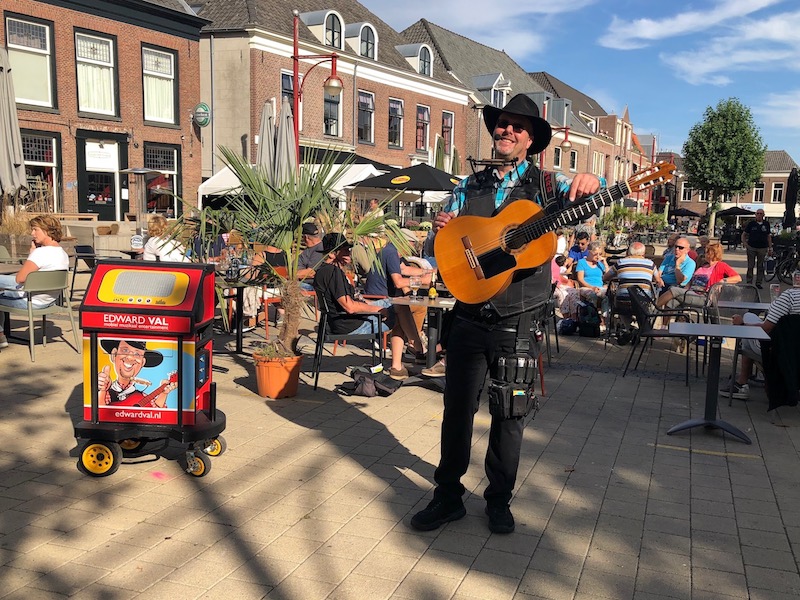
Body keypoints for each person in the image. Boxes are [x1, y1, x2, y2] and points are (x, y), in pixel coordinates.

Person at [410, 93, 604, 534]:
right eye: (502, 123)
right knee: (456, 409)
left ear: (531, 138)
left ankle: (499, 499)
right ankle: (447, 496)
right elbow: (436, 251)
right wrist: (440, 234)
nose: (507, 130)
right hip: (468, 314)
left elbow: (587, 202)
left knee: (509, 412)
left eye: (518, 126)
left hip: (518, 318)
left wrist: (592, 178)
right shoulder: (468, 185)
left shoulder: (547, 186)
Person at [0, 215, 70, 349]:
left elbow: (19, 279)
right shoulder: (62, 254)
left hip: (31, 302)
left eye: (35, 229)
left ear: (47, 230)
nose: (32, 233)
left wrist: (33, 253)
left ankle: (1, 336)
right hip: (47, 301)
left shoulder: (41, 253)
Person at [720, 286, 800, 400]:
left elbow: (766, 328)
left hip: (778, 351)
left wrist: (742, 324)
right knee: (750, 320)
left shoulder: (790, 297)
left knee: (747, 324)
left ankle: (742, 383)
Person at [313, 233, 389, 336]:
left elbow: (349, 300)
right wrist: (378, 310)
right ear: (332, 254)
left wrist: (368, 303)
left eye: (349, 250)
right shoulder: (333, 273)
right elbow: (350, 307)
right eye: (345, 250)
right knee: (397, 315)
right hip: (350, 325)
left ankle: (412, 347)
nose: (349, 253)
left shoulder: (322, 270)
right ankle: (412, 347)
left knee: (393, 304)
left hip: (340, 321)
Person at [602, 242, 658, 345]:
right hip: (643, 304)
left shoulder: (621, 262)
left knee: (622, 301)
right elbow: (658, 281)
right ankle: (638, 330)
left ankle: (628, 329)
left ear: (628, 252)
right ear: (643, 253)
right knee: (646, 301)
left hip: (622, 303)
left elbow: (605, 277)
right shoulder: (650, 264)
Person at [656, 242, 741, 310]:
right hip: (691, 292)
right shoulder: (704, 266)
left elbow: (738, 278)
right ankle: (665, 327)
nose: (705, 254)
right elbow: (692, 280)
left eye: (707, 252)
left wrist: (722, 281)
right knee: (671, 302)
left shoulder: (721, 265)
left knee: (673, 290)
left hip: (703, 296)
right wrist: (686, 288)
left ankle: (653, 309)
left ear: (712, 253)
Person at [97, 339, 177, 406]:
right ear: (114, 355)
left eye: (137, 354)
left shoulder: (142, 398)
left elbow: (155, 414)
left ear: (142, 362)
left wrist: (163, 394)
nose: (130, 357)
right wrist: (102, 390)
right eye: (125, 350)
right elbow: (100, 413)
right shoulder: (106, 392)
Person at [742, 209, 772, 289]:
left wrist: (770, 247)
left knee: (760, 266)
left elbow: (768, 236)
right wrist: (745, 244)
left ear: (763, 215)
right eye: (757, 213)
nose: (759, 215)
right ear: (755, 215)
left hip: (762, 247)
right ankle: (749, 282)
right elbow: (744, 234)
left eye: (760, 213)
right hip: (752, 247)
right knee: (750, 265)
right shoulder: (751, 224)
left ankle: (759, 282)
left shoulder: (766, 224)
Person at [297, 222, 325, 291]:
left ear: (306, 237)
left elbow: (311, 272)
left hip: (309, 285)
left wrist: (291, 275)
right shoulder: (309, 249)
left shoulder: (319, 249)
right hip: (300, 282)